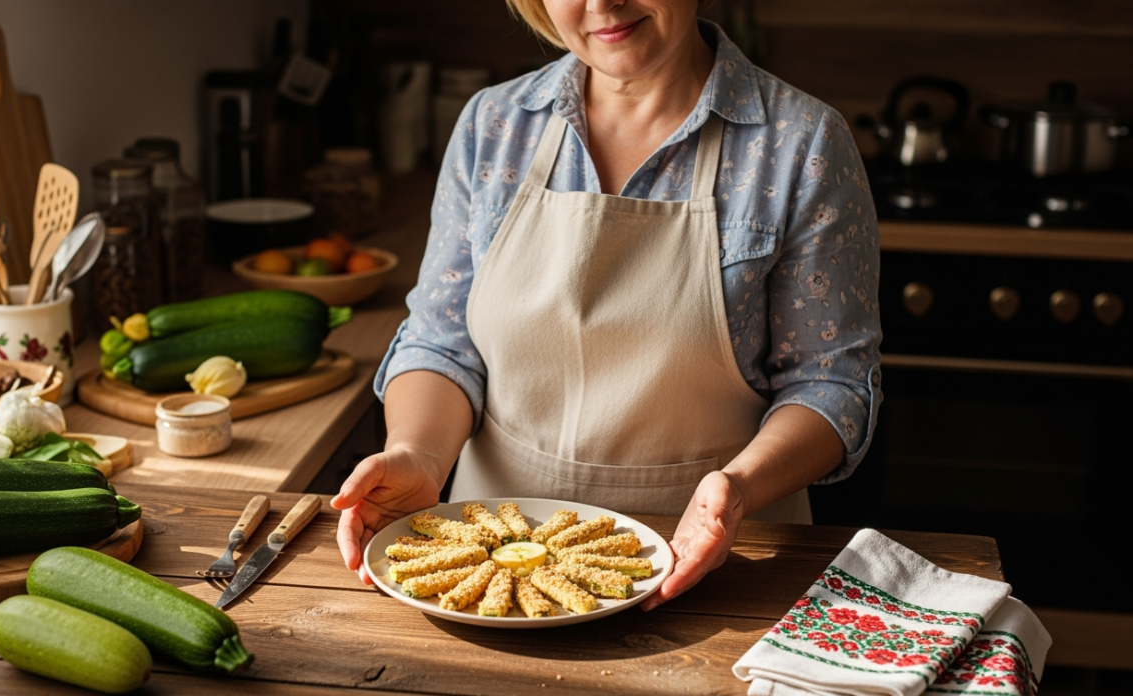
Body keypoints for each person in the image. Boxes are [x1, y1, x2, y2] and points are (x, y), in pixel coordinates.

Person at [332, 0, 882, 610]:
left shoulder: (800, 143)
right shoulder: (494, 124)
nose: (602, 4)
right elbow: (441, 341)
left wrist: (739, 488)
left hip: (723, 574)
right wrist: (420, 454)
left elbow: (831, 383)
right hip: (489, 572)